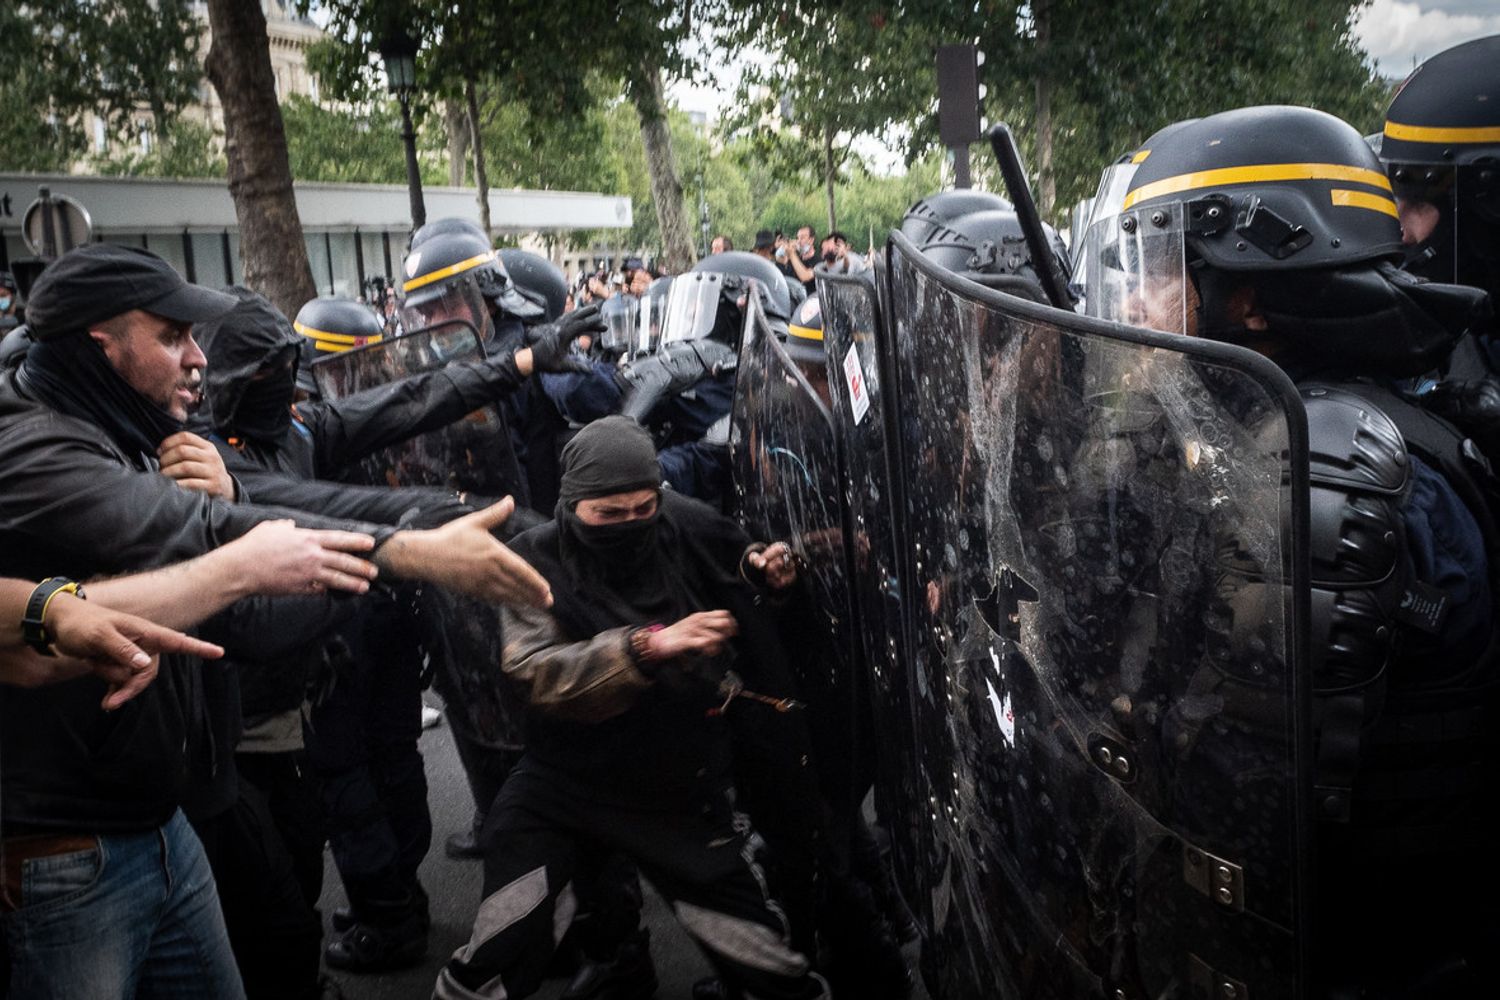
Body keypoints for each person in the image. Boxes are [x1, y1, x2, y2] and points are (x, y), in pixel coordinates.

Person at [0, 243, 551, 999]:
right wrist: (403, 553)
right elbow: (206, 534)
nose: (196, 358)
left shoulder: (142, 433)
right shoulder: (37, 447)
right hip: (70, 848)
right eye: (172, 337)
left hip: (162, 817)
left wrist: (435, 523)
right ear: (102, 345)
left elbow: (336, 467)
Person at [1083, 104, 1498, 995]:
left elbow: (1248, 809)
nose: (1137, 305)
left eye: (1160, 272)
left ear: (1247, 299)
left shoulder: (1333, 467)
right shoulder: (1260, 432)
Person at [436, 415, 828, 1000]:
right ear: (572, 506)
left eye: (642, 509)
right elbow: (538, 673)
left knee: (772, 967)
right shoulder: (532, 562)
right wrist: (648, 646)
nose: (629, 525)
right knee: (496, 953)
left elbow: (736, 563)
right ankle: (611, 958)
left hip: (673, 784)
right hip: (563, 784)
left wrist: (766, 570)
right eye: (608, 515)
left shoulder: (683, 523)